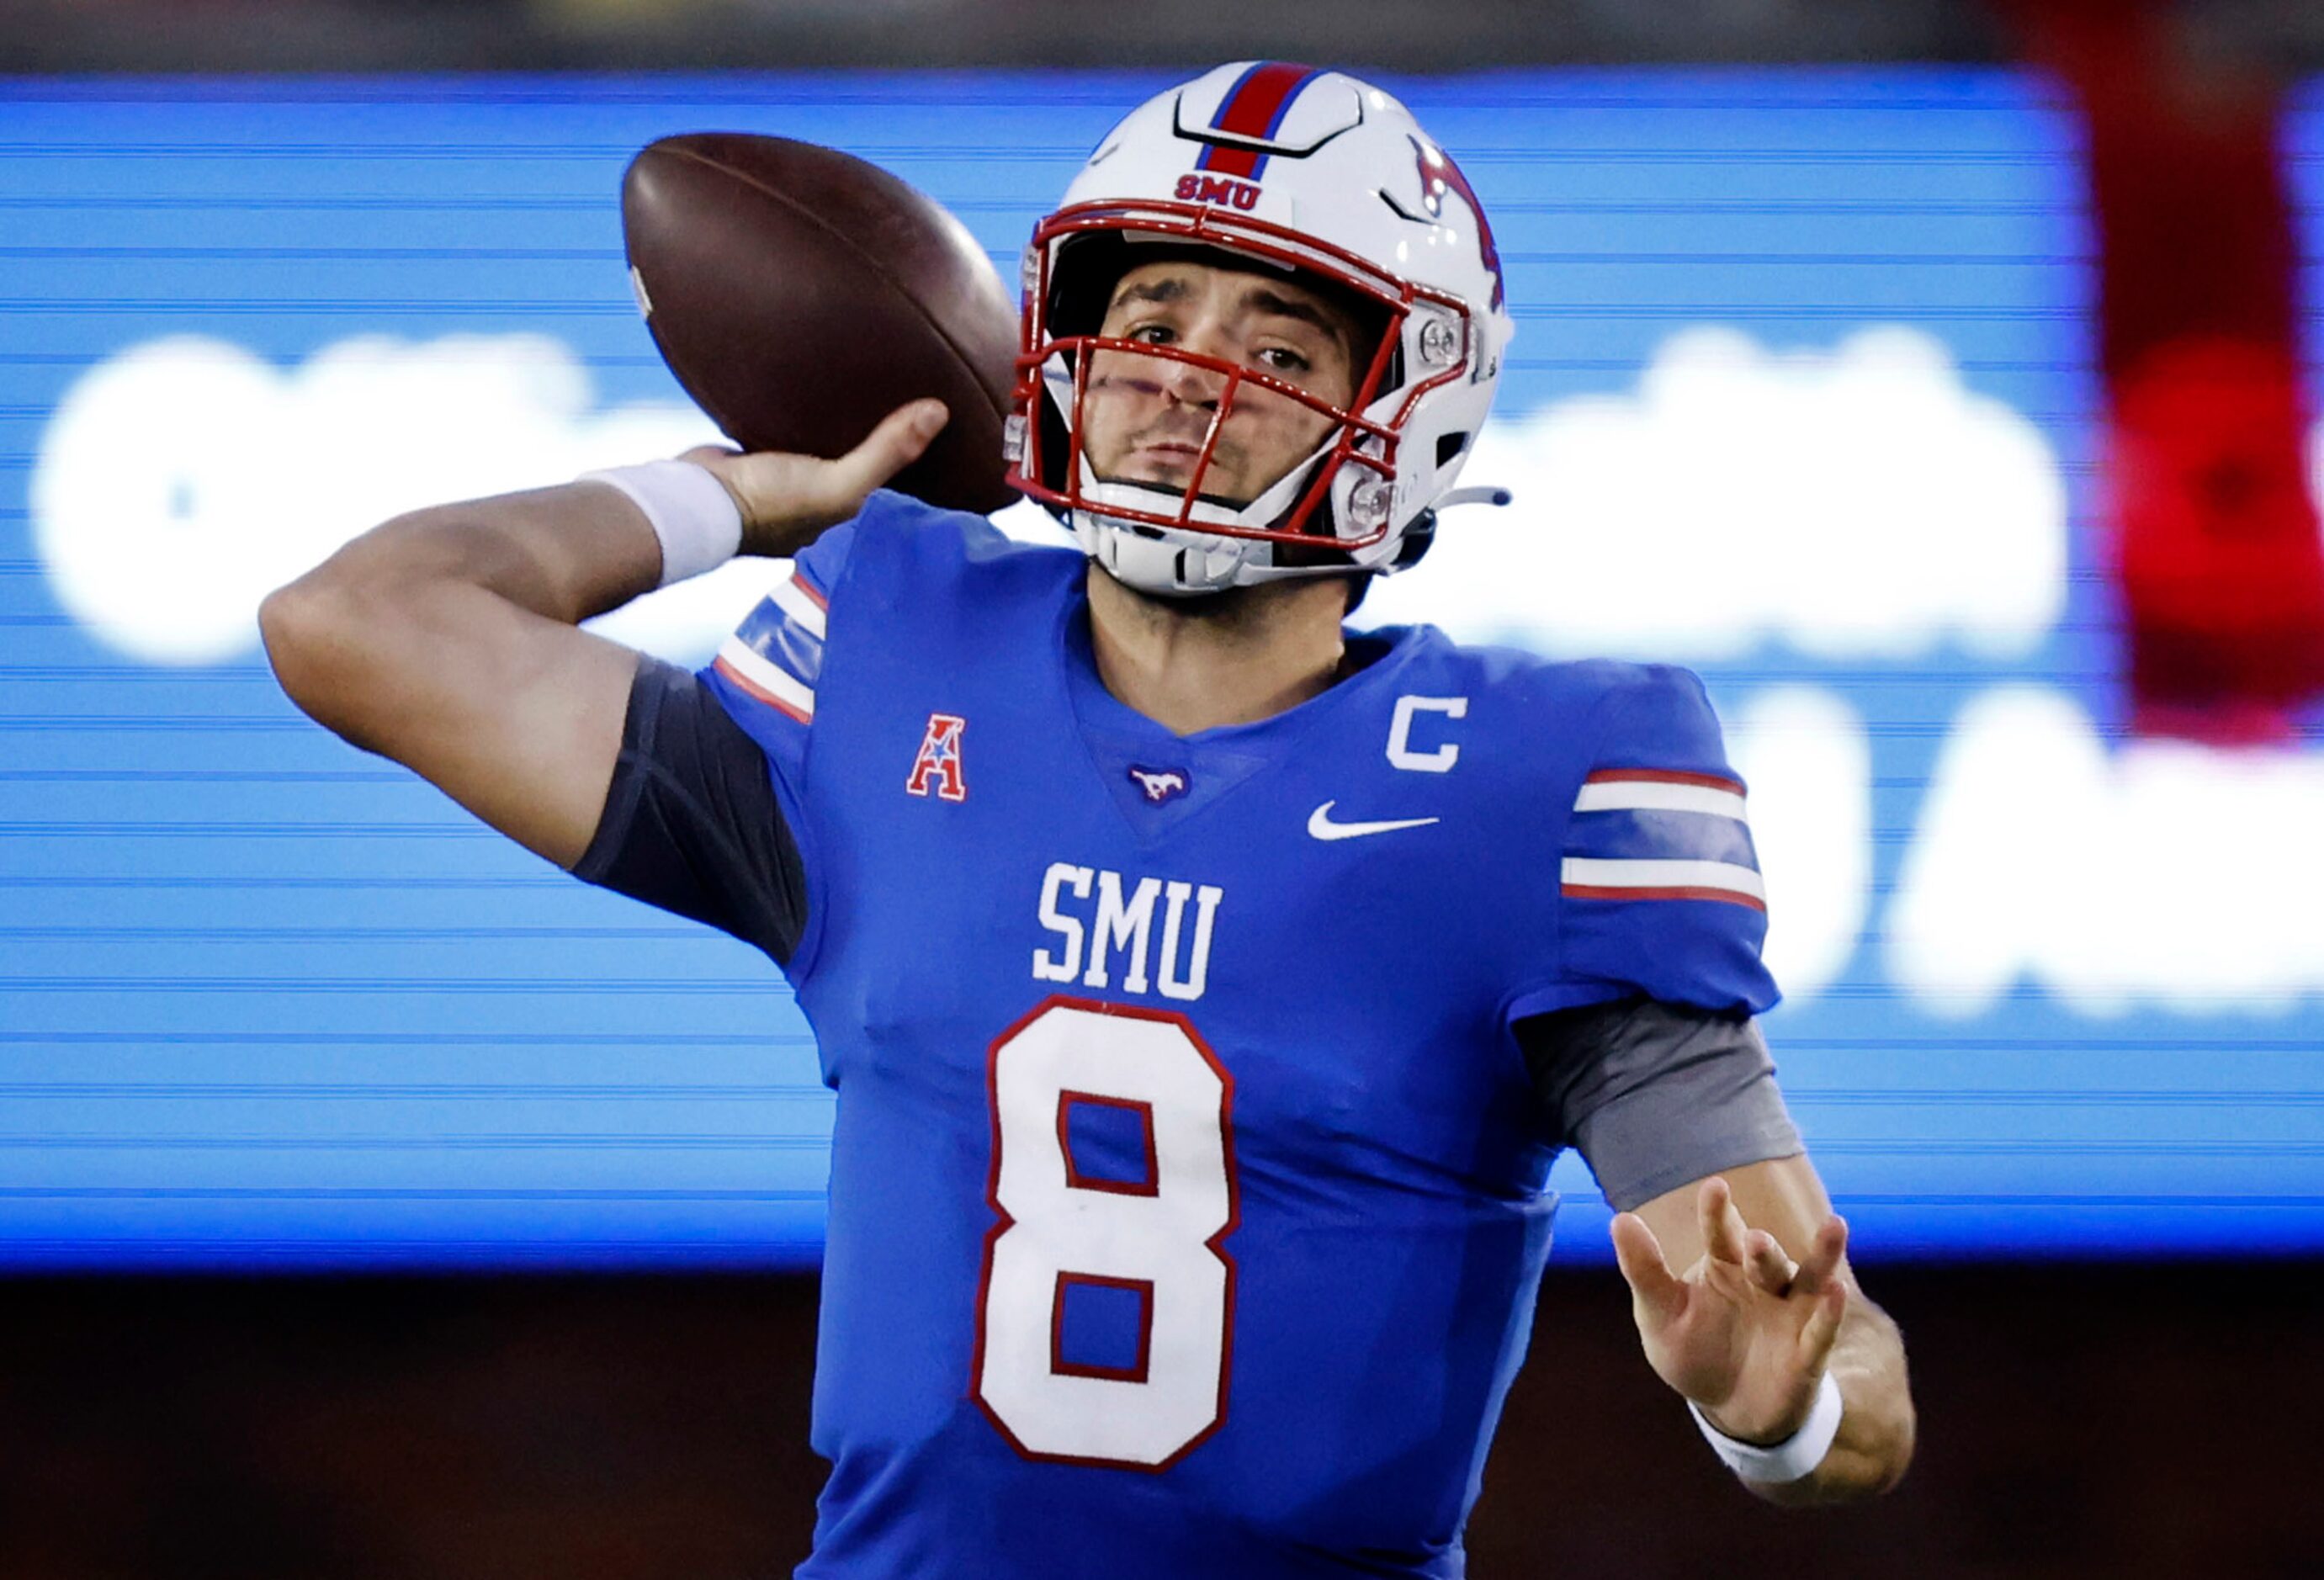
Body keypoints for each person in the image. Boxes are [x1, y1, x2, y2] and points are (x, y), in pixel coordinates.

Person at [261, 61, 1914, 1578]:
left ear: (1407, 411)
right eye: (1153, 311)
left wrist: (1774, 1414)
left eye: (1276, 348)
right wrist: (734, 498)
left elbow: (1840, 1378)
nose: (1188, 379)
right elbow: (358, 623)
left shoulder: (1535, 777)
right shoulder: (890, 655)